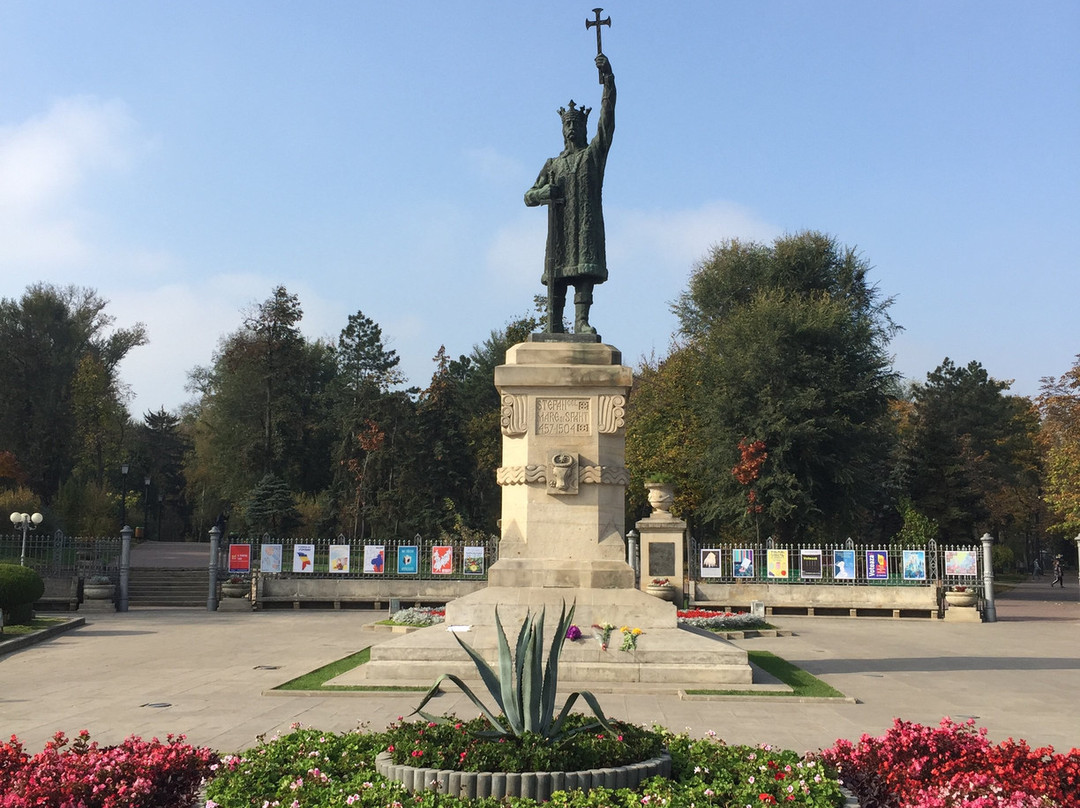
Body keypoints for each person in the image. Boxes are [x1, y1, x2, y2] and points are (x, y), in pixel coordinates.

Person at [525, 53, 615, 335]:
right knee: (558, 274)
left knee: (584, 271)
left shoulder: (593, 155)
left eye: (576, 124)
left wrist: (608, 82)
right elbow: (528, 195)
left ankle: (581, 322)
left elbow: (607, 120)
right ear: (563, 130)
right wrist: (543, 192)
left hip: (585, 229)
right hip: (561, 232)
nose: (572, 128)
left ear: (584, 127)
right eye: (568, 124)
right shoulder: (553, 164)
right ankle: (553, 322)